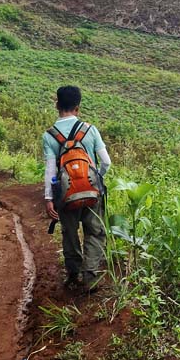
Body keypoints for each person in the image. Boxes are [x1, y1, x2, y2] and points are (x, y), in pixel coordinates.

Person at [43, 85, 111, 291]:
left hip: (66, 194)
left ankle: (73, 275)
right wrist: (96, 180)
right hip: (92, 192)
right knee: (95, 231)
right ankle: (90, 276)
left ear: (57, 105)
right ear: (78, 108)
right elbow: (106, 162)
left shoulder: (49, 135)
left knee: (70, 233)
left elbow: (50, 171)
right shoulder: (90, 130)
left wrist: (49, 198)